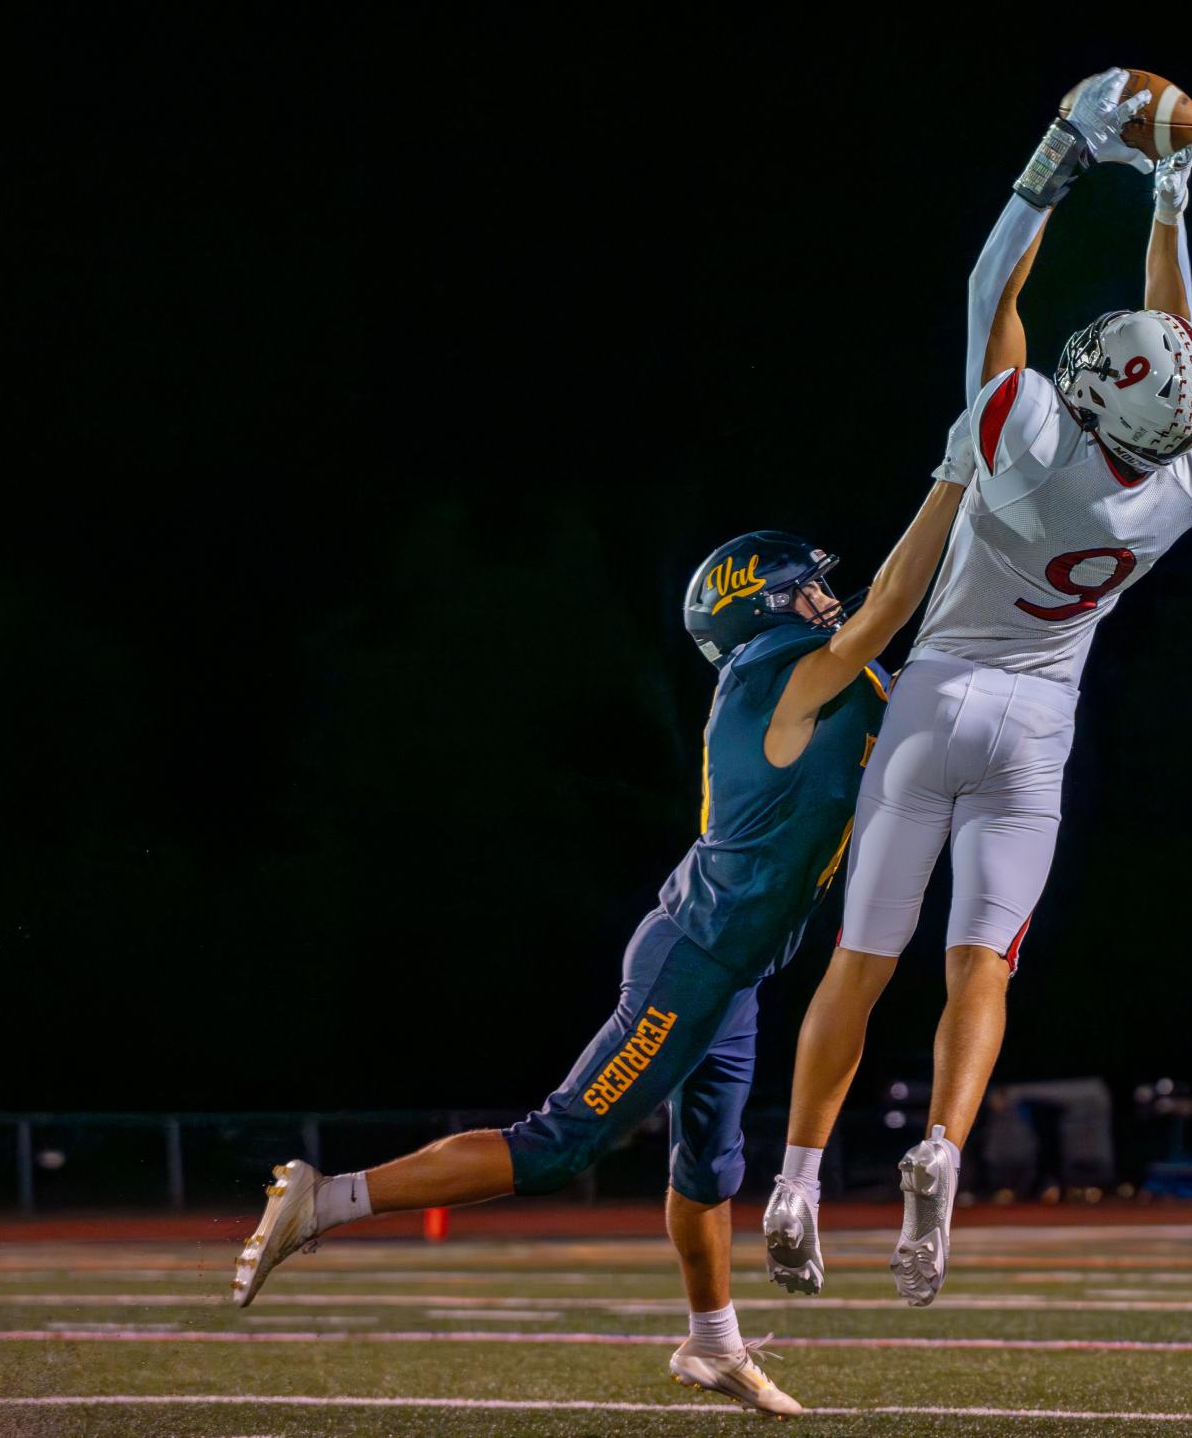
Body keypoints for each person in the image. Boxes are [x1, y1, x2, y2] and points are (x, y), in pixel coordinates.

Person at [227, 459, 970, 1417]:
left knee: (708, 1171)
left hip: (734, 971)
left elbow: (916, 650)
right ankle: (325, 1199)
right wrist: (956, 477)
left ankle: (712, 1344)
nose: (831, 599)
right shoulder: (772, 674)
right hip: (698, 957)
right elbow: (896, 599)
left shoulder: (832, 678)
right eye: (811, 586)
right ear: (766, 607)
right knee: (559, 1145)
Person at [765, 69, 1192, 1308]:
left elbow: (995, 292)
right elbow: (1174, 348)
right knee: (985, 969)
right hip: (1038, 725)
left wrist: (1056, 165)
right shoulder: (1191, 483)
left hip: (933, 702)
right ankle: (942, 1156)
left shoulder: (1019, 429)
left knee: (860, 962)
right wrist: (1170, 202)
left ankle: (800, 1182)